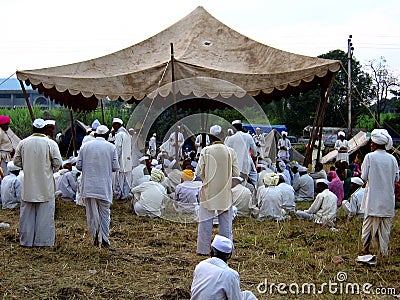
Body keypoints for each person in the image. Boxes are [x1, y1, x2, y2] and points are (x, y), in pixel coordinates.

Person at [14, 118, 63, 247]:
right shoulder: (50, 143)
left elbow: (16, 162)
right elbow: (58, 163)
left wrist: (28, 166)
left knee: (27, 216)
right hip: (45, 185)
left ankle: (26, 241)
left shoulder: (23, 143)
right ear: (44, 129)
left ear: (33, 129)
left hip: (28, 184)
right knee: (45, 215)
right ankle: (43, 242)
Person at [196, 125, 239, 255]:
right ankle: (226, 249)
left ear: (210, 136)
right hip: (225, 191)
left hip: (208, 191)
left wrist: (206, 180)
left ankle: (203, 250)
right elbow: (236, 173)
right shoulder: (230, 151)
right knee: (226, 223)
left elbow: (198, 171)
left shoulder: (206, 150)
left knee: (205, 221)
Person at [76, 125, 120, 249]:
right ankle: (105, 240)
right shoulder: (111, 147)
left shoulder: (85, 147)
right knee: (105, 214)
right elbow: (116, 167)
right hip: (104, 187)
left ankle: (95, 236)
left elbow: (78, 166)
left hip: (88, 186)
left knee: (91, 213)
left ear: (95, 135)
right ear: (106, 136)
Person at [360, 129, 398, 256]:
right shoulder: (392, 159)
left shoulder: (369, 157)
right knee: (385, 228)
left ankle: (366, 249)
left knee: (368, 226)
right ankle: (383, 251)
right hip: (388, 199)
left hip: (373, 198)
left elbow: (363, 177)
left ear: (376, 144)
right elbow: (397, 178)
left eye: (371, 142)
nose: (370, 144)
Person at [191, 234, 258, 300]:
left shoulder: (201, 265)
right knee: (249, 296)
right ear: (229, 256)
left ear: (211, 251)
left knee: (246, 294)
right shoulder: (230, 275)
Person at [112, 118, 133, 200]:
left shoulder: (119, 135)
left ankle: (118, 196)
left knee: (119, 180)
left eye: (114, 125)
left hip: (121, 161)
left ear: (117, 124)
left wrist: (115, 160)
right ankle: (125, 195)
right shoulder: (127, 134)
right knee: (126, 180)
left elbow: (118, 148)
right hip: (128, 160)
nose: (113, 127)